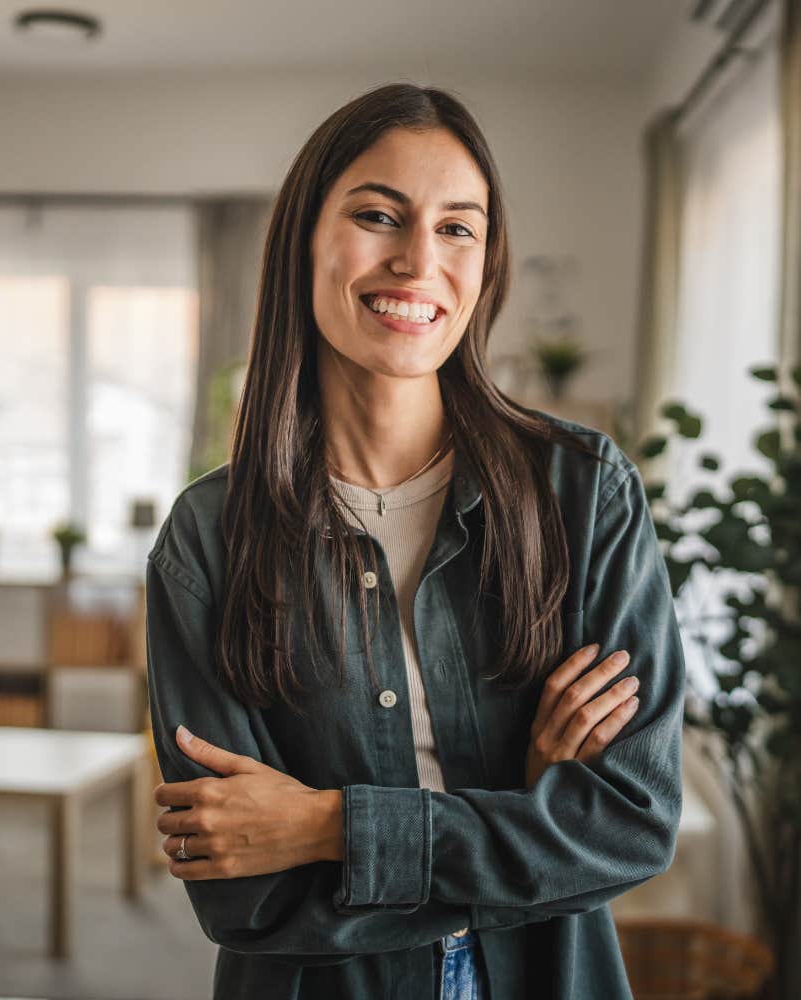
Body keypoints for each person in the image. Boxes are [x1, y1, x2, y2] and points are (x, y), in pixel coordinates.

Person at [145, 82, 686, 1000]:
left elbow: (630, 823)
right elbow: (242, 895)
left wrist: (326, 826)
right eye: (377, 215)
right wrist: (522, 820)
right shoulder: (208, 540)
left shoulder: (585, 494)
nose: (416, 261)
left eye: (457, 228)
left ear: (485, 264)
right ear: (303, 241)